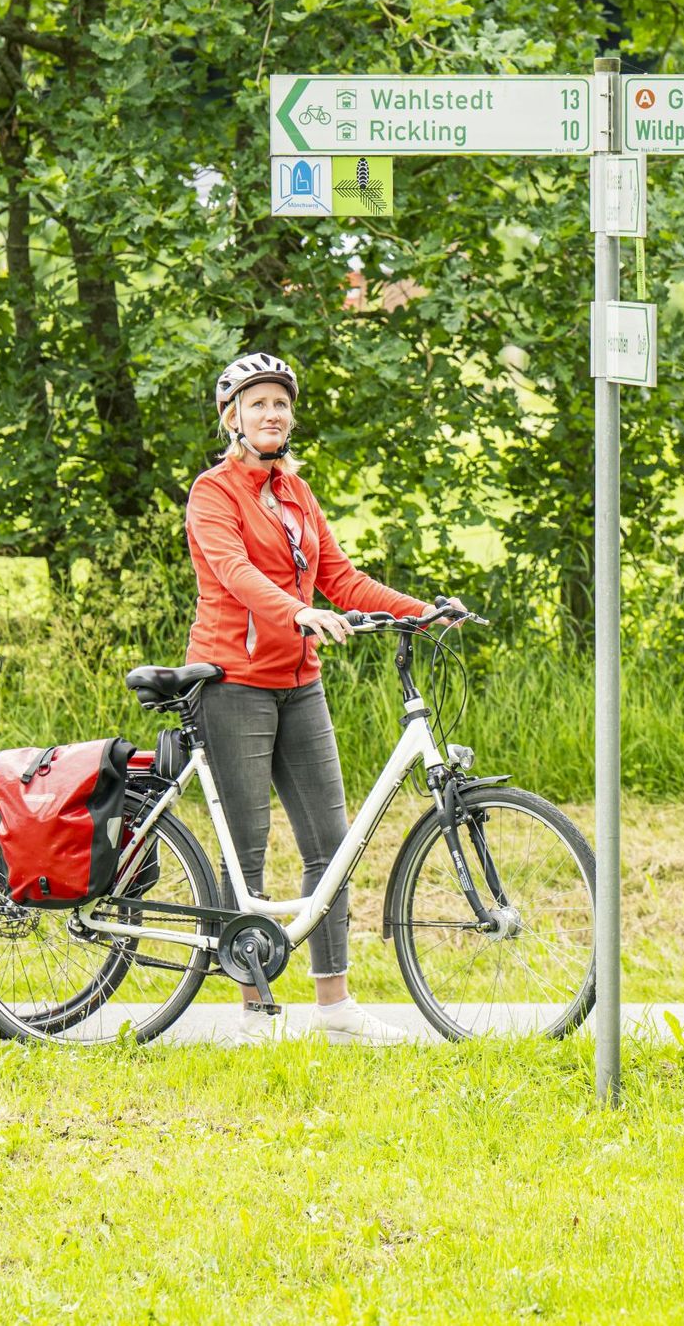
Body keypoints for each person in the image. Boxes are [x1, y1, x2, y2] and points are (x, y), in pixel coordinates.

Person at [184, 352, 457, 1045]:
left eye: (280, 402)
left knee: (331, 846)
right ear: (232, 417)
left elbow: (342, 577)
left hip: (300, 684)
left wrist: (422, 611)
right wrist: (297, 611)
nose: (272, 413)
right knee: (245, 851)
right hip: (233, 682)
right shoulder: (213, 493)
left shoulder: (297, 492)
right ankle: (253, 1010)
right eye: (257, 403)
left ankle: (334, 1005)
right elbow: (234, 572)